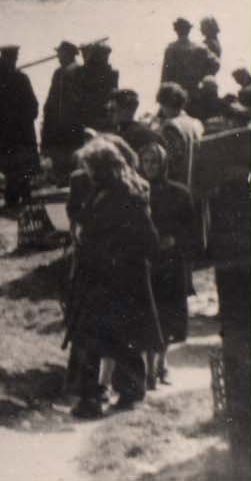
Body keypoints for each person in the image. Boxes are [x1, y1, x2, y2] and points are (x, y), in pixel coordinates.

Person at [64, 137, 163, 418]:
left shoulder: (129, 197)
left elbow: (149, 241)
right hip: (100, 277)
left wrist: (114, 254)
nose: (87, 173)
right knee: (104, 337)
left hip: (119, 278)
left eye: (90, 167)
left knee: (111, 337)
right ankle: (106, 395)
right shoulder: (101, 192)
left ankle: (116, 394)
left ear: (103, 168)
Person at [139, 143, 198, 390]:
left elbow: (192, 228)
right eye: (146, 161)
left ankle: (162, 364)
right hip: (148, 263)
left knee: (169, 316)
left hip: (172, 263)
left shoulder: (179, 193)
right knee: (149, 315)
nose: (150, 167)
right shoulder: (138, 192)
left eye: (154, 162)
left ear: (163, 164)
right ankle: (149, 370)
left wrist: (175, 239)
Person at [0, 45, 40, 207]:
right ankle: (23, 197)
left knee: (10, 166)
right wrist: (28, 119)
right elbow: (33, 105)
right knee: (22, 165)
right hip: (21, 130)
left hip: (2, 130)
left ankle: (13, 198)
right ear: (14, 59)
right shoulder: (21, 78)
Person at [41, 41, 86, 183]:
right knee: (60, 156)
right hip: (58, 123)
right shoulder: (58, 73)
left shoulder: (78, 70)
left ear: (68, 54)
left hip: (72, 123)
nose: (58, 57)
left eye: (60, 53)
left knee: (72, 154)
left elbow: (79, 97)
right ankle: (63, 179)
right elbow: (52, 97)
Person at [150, 83, 203, 186]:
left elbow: (170, 162)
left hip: (177, 184)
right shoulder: (196, 123)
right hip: (195, 180)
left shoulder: (170, 126)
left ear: (164, 104)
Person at [160, 18, 215, 95]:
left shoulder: (171, 49)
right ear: (189, 30)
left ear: (176, 30)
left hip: (176, 92)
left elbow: (165, 75)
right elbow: (215, 64)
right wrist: (202, 76)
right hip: (195, 89)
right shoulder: (200, 48)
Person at [108, 89, 168, 158]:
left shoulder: (121, 137)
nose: (109, 114)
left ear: (127, 110)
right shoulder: (155, 135)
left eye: (112, 110)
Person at [77, 43, 120, 132]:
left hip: (101, 110)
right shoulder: (84, 70)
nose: (106, 57)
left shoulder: (112, 72)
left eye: (107, 55)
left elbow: (113, 91)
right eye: (103, 54)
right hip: (87, 111)